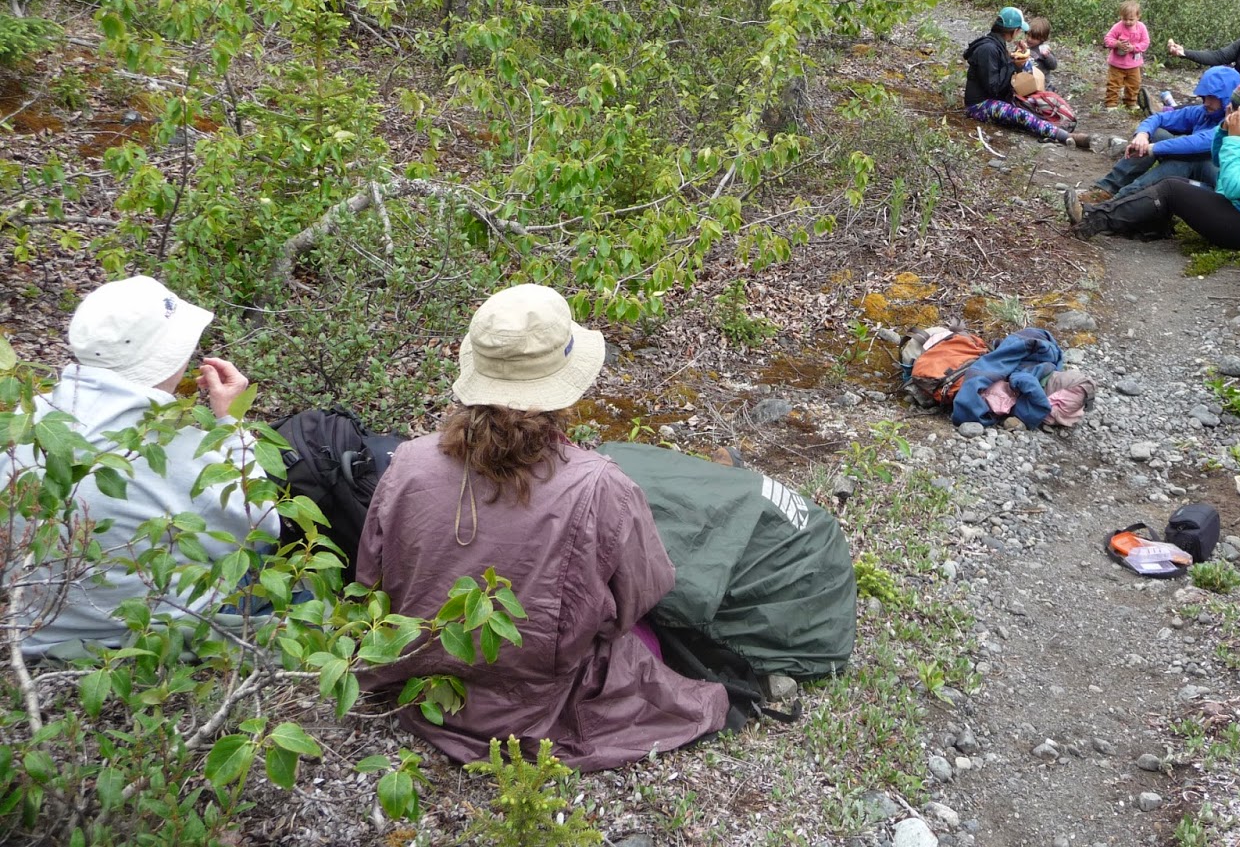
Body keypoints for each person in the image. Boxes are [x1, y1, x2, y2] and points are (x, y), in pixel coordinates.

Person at [355, 285, 729, 770]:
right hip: (536, 702)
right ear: (564, 386)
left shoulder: (406, 462)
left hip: (420, 690)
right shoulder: (601, 485)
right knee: (646, 642)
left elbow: (371, 581)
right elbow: (639, 597)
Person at [5, 275, 278, 657]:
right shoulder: (176, 450)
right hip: (144, 634)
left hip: (35, 630)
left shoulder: (23, 422)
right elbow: (262, 525)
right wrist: (232, 426)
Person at [1063, 78, 1240, 250]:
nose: (1228, 112)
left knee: (1172, 189)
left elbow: (1234, 186)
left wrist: (1233, 140)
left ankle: (1093, 220)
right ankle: (1147, 226)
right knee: (1176, 183)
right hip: (1236, 208)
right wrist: (1224, 132)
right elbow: (1218, 160)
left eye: (1233, 109)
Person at [1083, 66, 1240, 202]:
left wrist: (1152, 148)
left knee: (1183, 160)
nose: (1206, 102)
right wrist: (1142, 135)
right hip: (1191, 169)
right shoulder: (1202, 112)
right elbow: (1159, 117)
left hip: (1216, 187)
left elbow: (1197, 144)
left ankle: (1118, 201)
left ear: (1228, 98)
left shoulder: (1234, 122)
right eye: (1205, 97)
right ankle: (1105, 189)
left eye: (1212, 97)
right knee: (1157, 133)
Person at [963, 6, 1076, 144]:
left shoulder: (996, 44)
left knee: (1031, 101)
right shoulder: (988, 49)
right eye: (1019, 30)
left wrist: (1016, 59)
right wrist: (1014, 65)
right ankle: (1063, 135)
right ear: (1014, 31)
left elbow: (1000, 72)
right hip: (979, 105)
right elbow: (993, 87)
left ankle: (1055, 121)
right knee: (1020, 115)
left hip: (994, 99)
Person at [1102, 0, 1150, 112]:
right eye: (1125, 19)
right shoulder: (1118, 27)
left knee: (1134, 84)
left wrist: (1133, 48)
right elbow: (1107, 39)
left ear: (1138, 17)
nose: (1128, 22)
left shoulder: (1141, 27)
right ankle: (1111, 103)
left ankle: (1131, 102)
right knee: (1113, 84)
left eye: (1131, 19)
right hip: (1117, 64)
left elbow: (1145, 42)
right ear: (1121, 16)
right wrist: (1117, 43)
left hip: (1134, 64)